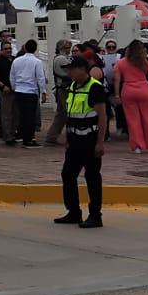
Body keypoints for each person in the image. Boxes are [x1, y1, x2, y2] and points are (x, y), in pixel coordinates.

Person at [57, 55, 109, 228]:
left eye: (71, 69)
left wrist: (100, 143)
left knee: (92, 177)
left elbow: (102, 116)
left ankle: (95, 215)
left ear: (81, 69)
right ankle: (73, 212)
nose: (69, 72)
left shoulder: (95, 87)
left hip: (90, 139)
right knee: (68, 174)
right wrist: (67, 137)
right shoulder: (73, 86)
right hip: (74, 140)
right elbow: (70, 114)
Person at [114, 40, 148, 154]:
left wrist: (116, 94)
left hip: (128, 90)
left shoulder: (121, 62)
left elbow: (117, 79)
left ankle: (137, 146)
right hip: (144, 88)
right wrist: (145, 58)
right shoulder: (143, 61)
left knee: (133, 120)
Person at [9, 38, 48, 148]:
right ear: (35, 49)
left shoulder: (16, 61)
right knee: (30, 116)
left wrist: (14, 87)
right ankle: (29, 138)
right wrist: (43, 92)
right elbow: (40, 78)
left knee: (21, 115)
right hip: (31, 91)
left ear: (25, 48)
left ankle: (21, 134)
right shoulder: (37, 62)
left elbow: (12, 76)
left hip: (19, 90)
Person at [44, 39, 74, 145]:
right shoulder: (61, 59)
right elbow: (69, 73)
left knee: (61, 114)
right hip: (64, 89)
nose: (69, 49)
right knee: (68, 113)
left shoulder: (62, 58)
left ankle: (52, 136)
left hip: (62, 88)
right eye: (66, 47)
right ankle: (70, 136)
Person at [0, 37, 16, 145]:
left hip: (16, 90)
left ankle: (13, 133)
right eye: (6, 49)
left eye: (9, 48)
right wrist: (2, 86)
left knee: (15, 114)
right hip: (5, 91)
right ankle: (8, 136)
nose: (8, 50)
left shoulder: (15, 60)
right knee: (6, 114)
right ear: (1, 50)